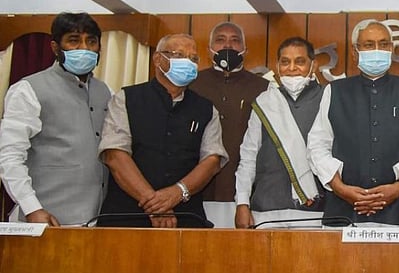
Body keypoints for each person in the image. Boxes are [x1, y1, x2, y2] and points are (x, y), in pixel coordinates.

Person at [307, 20, 399, 227]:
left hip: (397, 211)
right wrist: (340, 188)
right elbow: (317, 145)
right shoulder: (335, 91)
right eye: (368, 45)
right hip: (343, 210)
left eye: (383, 44)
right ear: (355, 52)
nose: (377, 50)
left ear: (391, 49)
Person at [98, 34, 227, 228]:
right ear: (158, 59)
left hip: (186, 219)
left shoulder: (206, 109)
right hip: (126, 218)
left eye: (193, 58)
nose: (188, 62)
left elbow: (212, 160)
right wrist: (155, 204)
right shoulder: (126, 99)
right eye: (179, 55)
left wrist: (177, 193)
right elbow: (115, 155)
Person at [0, 12, 111, 226]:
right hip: (44, 221)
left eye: (91, 41)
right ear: (55, 47)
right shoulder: (28, 89)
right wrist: (32, 208)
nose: (84, 48)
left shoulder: (105, 91)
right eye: (74, 40)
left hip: (95, 221)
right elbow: (9, 156)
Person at [234, 37, 326, 229]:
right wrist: (242, 203)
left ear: (313, 65)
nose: (292, 68)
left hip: (315, 211)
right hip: (266, 209)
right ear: (277, 66)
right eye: (285, 62)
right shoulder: (265, 101)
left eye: (300, 61)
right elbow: (248, 157)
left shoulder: (327, 97)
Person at [190, 21, 269, 228]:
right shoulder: (192, 84)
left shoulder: (264, 88)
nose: (227, 45)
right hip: (197, 191)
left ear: (245, 49)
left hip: (246, 193)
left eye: (235, 40)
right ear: (209, 49)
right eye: (220, 40)